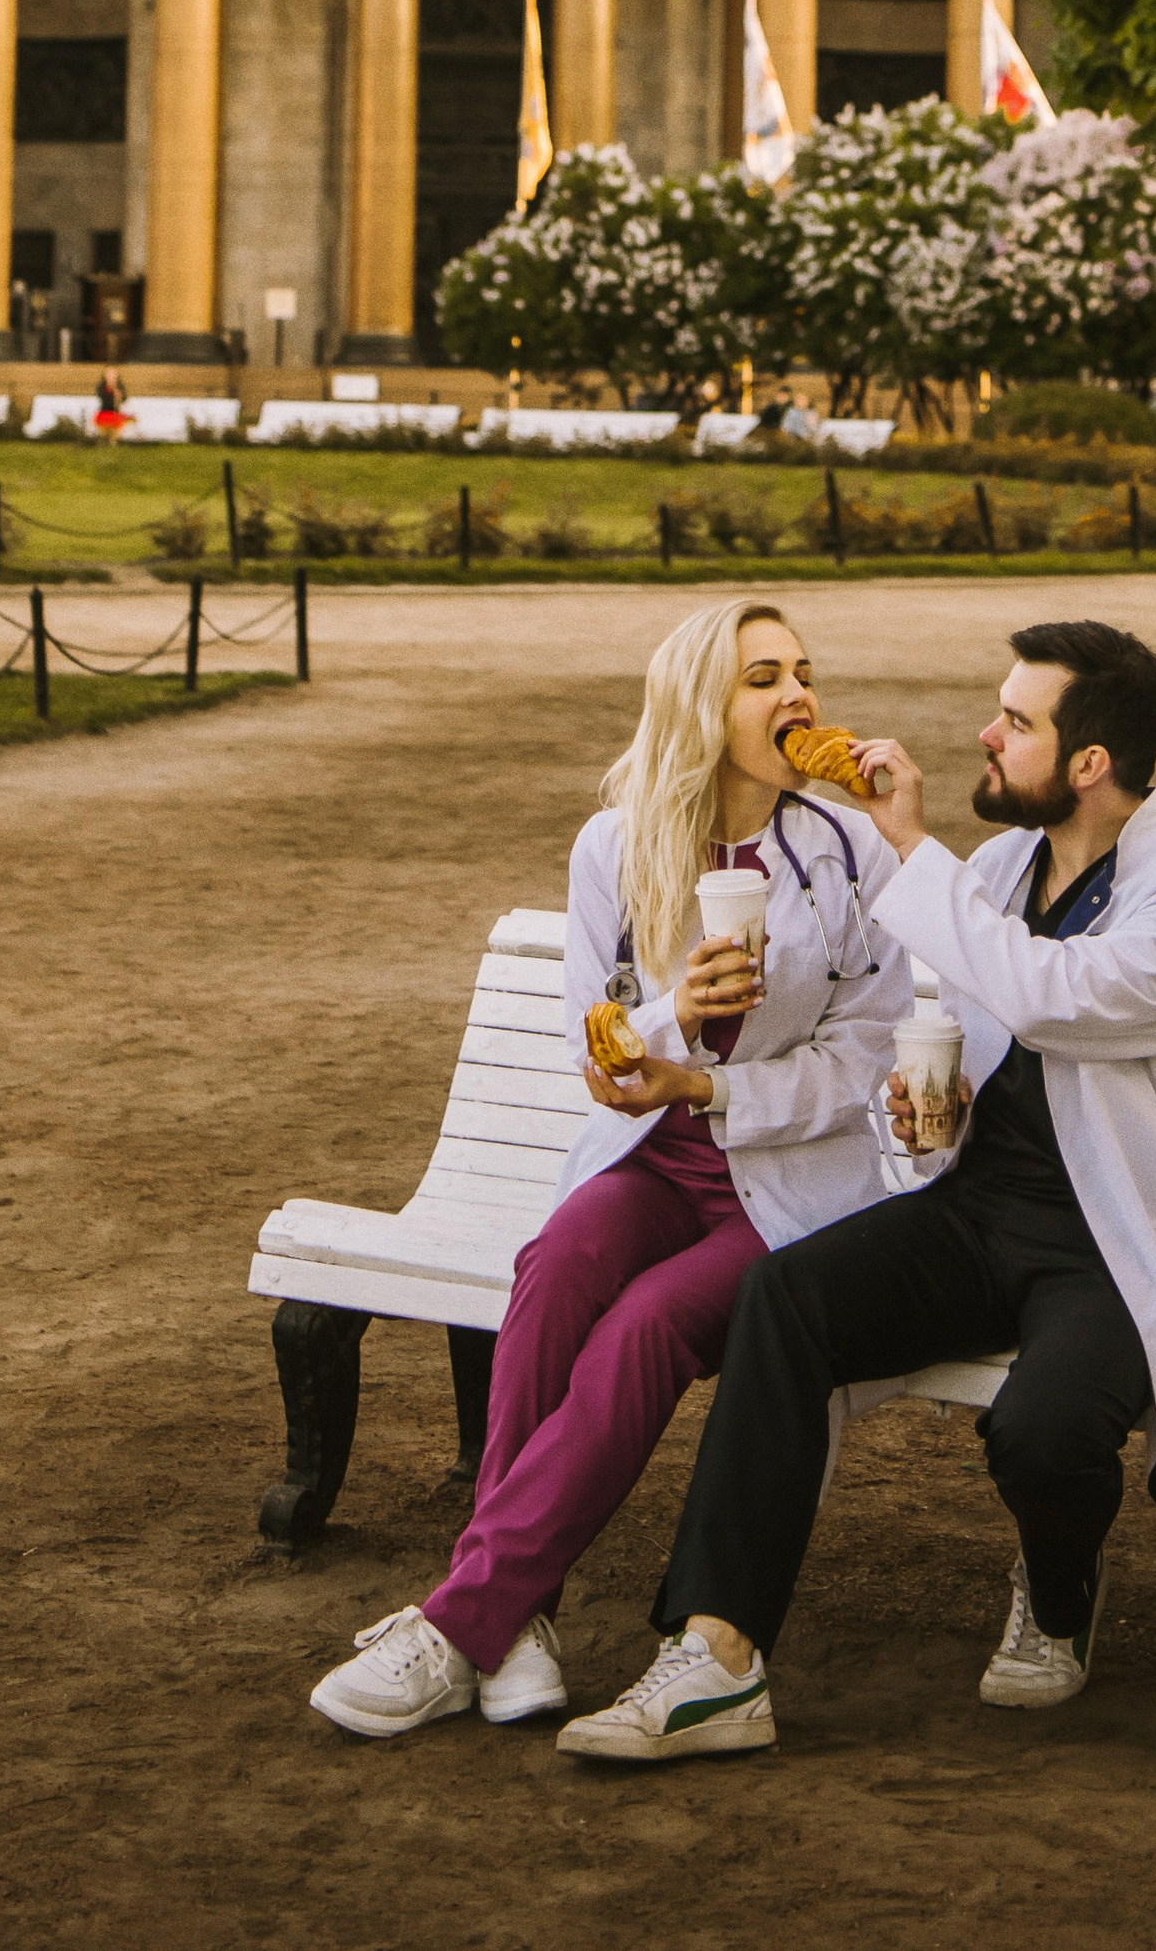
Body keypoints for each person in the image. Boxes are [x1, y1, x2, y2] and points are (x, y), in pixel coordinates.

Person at [557, 619, 1156, 1765]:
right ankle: (718, 1655)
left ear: (1087, 764)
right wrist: (925, 1101)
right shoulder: (997, 869)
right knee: (781, 1301)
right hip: (980, 1210)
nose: (986, 731)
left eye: (1016, 722)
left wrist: (903, 843)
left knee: (1038, 1429)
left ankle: (1059, 1579)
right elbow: (947, 1020)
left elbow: (1049, 996)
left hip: (1115, 1236)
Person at [306, 598, 912, 1742]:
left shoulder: (848, 849)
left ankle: (458, 1624)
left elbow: (859, 1062)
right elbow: (602, 1051)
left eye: (803, 673)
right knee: (557, 1263)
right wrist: (674, 1016)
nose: (796, 697)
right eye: (760, 678)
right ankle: (519, 1616)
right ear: (698, 703)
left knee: (644, 1326)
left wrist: (716, 1087)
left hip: (779, 1182)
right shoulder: (616, 844)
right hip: (650, 1154)